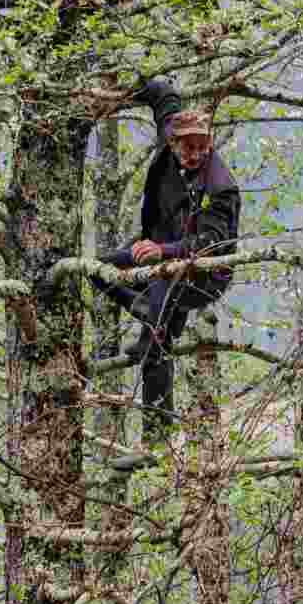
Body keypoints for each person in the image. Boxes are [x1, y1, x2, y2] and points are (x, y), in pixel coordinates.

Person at [90, 78, 240, 467]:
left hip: (203, 276)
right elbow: (162, 94)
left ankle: (156, 443)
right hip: (160, 255)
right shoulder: (168, 135)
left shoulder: (220, 187)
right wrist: (108, 98)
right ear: (172, 142)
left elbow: (212, 244)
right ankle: (144, 308)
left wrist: (163, 252)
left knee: (154, 347)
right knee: (97, 268)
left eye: (203, 147)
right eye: (189, 147)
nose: (196, 154)